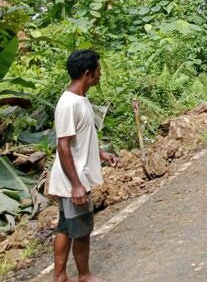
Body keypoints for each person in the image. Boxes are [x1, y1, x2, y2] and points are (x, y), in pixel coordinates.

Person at [48, 49, 119, 282]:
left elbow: (81, 139)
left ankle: (60, 276)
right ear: (88, 74)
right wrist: (76, 185)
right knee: (81, 231)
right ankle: (84, 276)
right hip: (73, 180)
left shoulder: (81, 99)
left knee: (66, 228)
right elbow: (63, 145)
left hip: (74, 176)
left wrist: (101, 154)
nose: (100, 75)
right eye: (98, 71)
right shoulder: (69, 104)